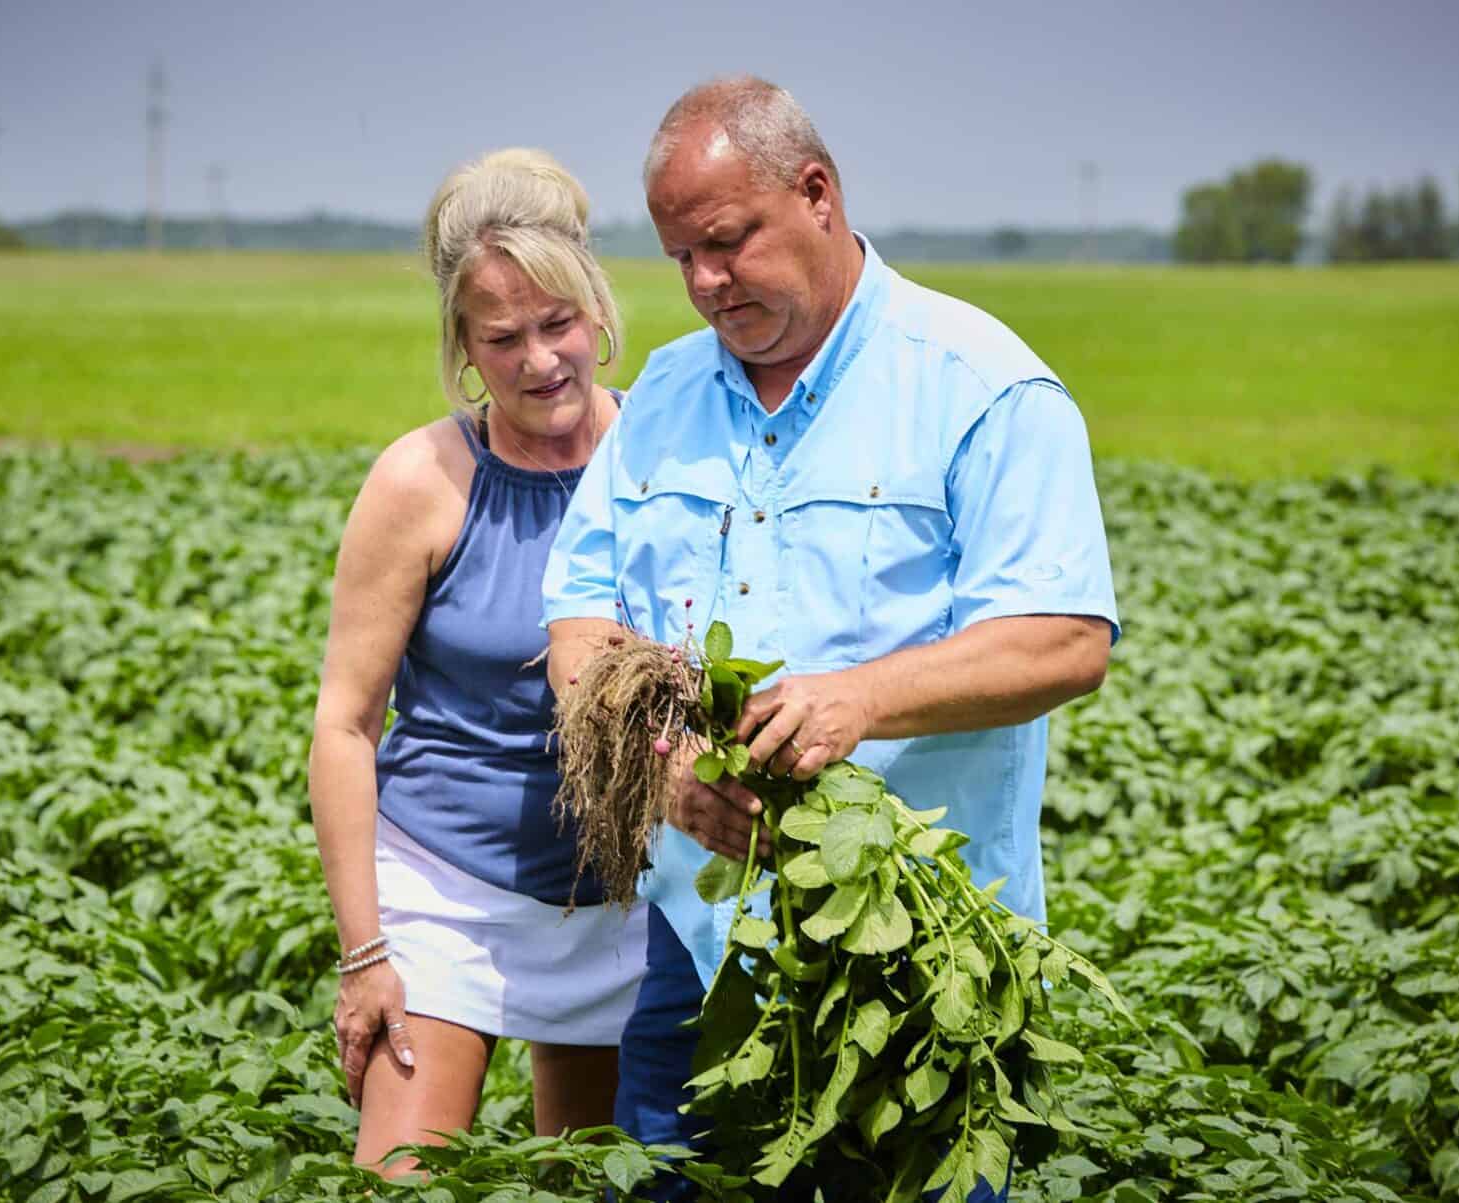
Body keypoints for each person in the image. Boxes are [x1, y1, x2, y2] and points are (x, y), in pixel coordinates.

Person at [543, 78, 1119, 1200]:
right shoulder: (660, 397)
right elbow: (579, 619)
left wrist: (862, 700)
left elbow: (1061, 638)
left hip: (920, 958)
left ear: (814, 194)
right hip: (699, 953)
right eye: (679, 259)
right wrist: (662, 774)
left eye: (725, 242)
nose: (704, 283)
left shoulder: (980, 387)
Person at [309, 147, 644, 1171]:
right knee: (401, 1178)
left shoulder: (659, 459)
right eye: (503, 339)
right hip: (441, 892)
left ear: (595, 311)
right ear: (462, 344)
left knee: (590, 1178)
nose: (541, 360)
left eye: (558, 326)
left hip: (619, 893)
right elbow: (344, 725)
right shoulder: (420, 481)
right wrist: (365, 954)